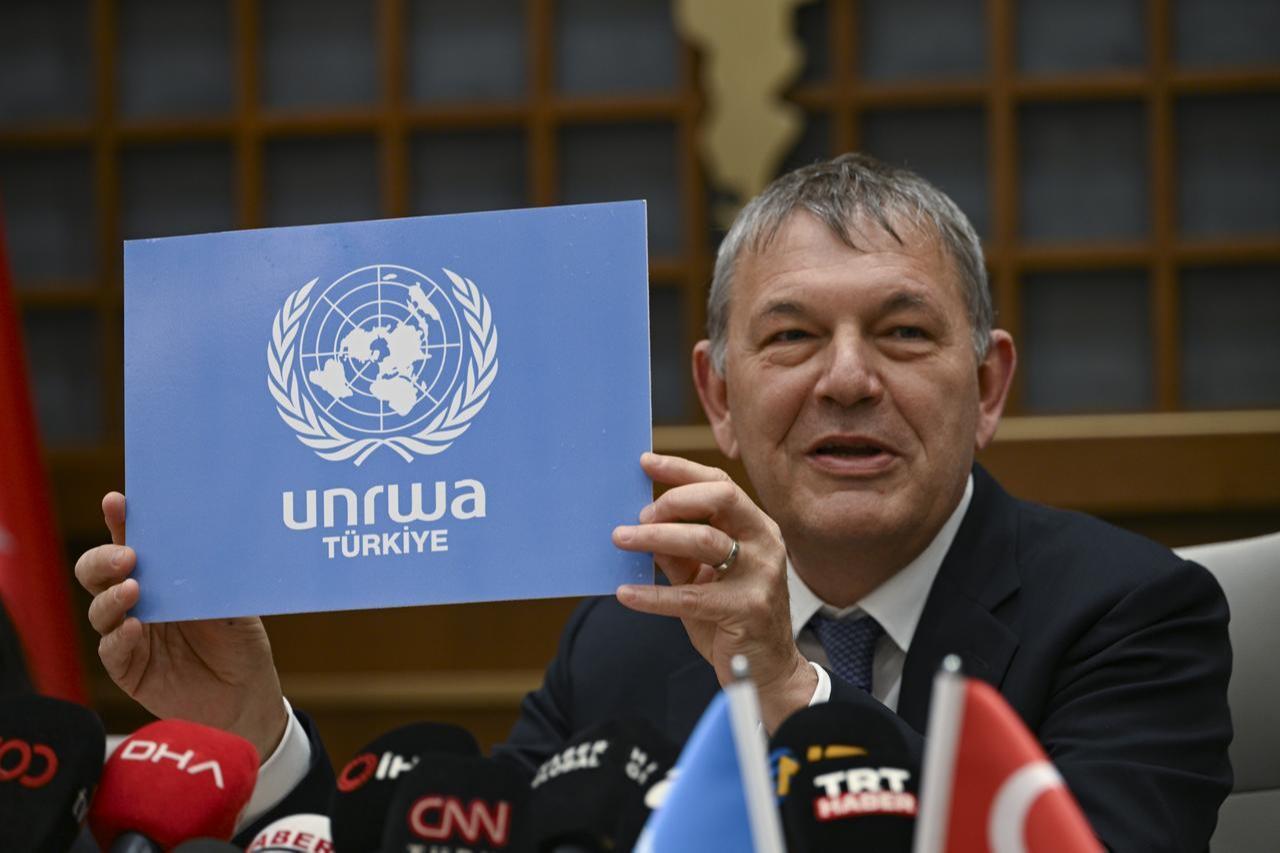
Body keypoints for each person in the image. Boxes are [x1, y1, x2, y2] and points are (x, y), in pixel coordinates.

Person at [75, 153, 1232, 849]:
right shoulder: (626, 633)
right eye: (789, 337)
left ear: (985, 386)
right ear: (716, 397)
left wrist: (788, 688)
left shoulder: (1131, 612)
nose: (844, 377)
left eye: (900, 333)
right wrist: (250, 732)